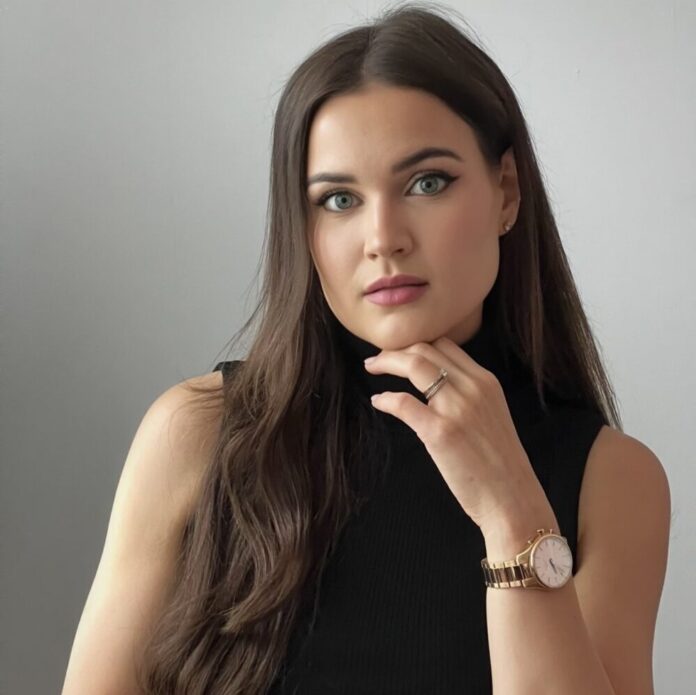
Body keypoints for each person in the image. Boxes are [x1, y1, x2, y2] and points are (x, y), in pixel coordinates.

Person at [61, 3, 671, 694]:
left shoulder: (611, 481)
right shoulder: (197, 434)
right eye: (338, 200)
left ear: (506, 191)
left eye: (427, 183)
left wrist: (513, 516)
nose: (383, 238)